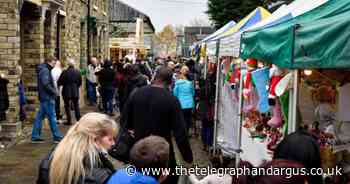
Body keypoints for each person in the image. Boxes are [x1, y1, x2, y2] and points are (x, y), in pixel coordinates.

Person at [122, 66, 193, 184]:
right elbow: (180, 133)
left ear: (154, 77)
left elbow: (125, 121)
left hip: (139, 152)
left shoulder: (137, 94)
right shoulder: (171, 100)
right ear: (170, 82)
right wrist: (187, 157)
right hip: (162, 155)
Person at [37, 112, 118, 184]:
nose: (113, 143)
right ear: (94, 139)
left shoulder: (49, 160)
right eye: (110, 139)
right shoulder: (100, 175)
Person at [31, 56, 63, 143]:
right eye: (54, 62)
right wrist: (54, 92)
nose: (54, 64)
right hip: (47, 97)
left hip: (45, 97)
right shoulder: (45, 70)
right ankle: (57, 136)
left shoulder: (45, 69)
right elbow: (46, 84)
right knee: (52, 117)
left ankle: (35, 136)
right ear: (49, 61)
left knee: (39, 117)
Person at [57, 58, 82, 125]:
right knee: (76, 105)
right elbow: (80, 82)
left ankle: (69, 120)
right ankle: (78, 119)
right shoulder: (77, 72)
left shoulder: (64, 72)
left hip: (66, 91)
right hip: (75, 91)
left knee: (67, 106)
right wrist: (75, 86)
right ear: (74, 64)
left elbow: (59, 82)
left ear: (68, 64)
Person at [173, 66, 195, 135]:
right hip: (189, 104)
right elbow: (193, 93)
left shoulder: (177, 84)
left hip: (180, 104)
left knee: (180, 119)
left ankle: (180, 133)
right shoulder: (189, 83)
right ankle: (186, 133)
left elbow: (175, 94)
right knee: (187, 120)